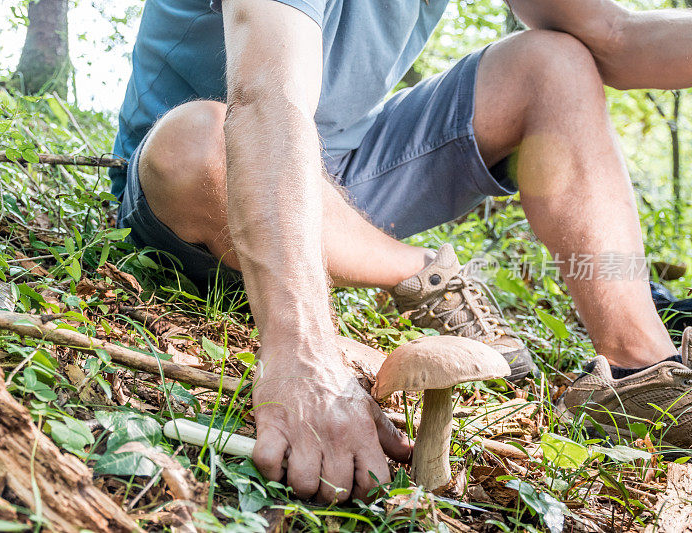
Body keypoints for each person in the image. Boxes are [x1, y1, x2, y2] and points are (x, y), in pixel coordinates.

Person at [111, 0, 692, 502]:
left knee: (554, 63)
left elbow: (614, 35)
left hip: (340, 176)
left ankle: (642, 370)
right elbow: (265, 99)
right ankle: (422, 273)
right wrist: (303, 357)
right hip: (210, 171)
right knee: (197, 145)